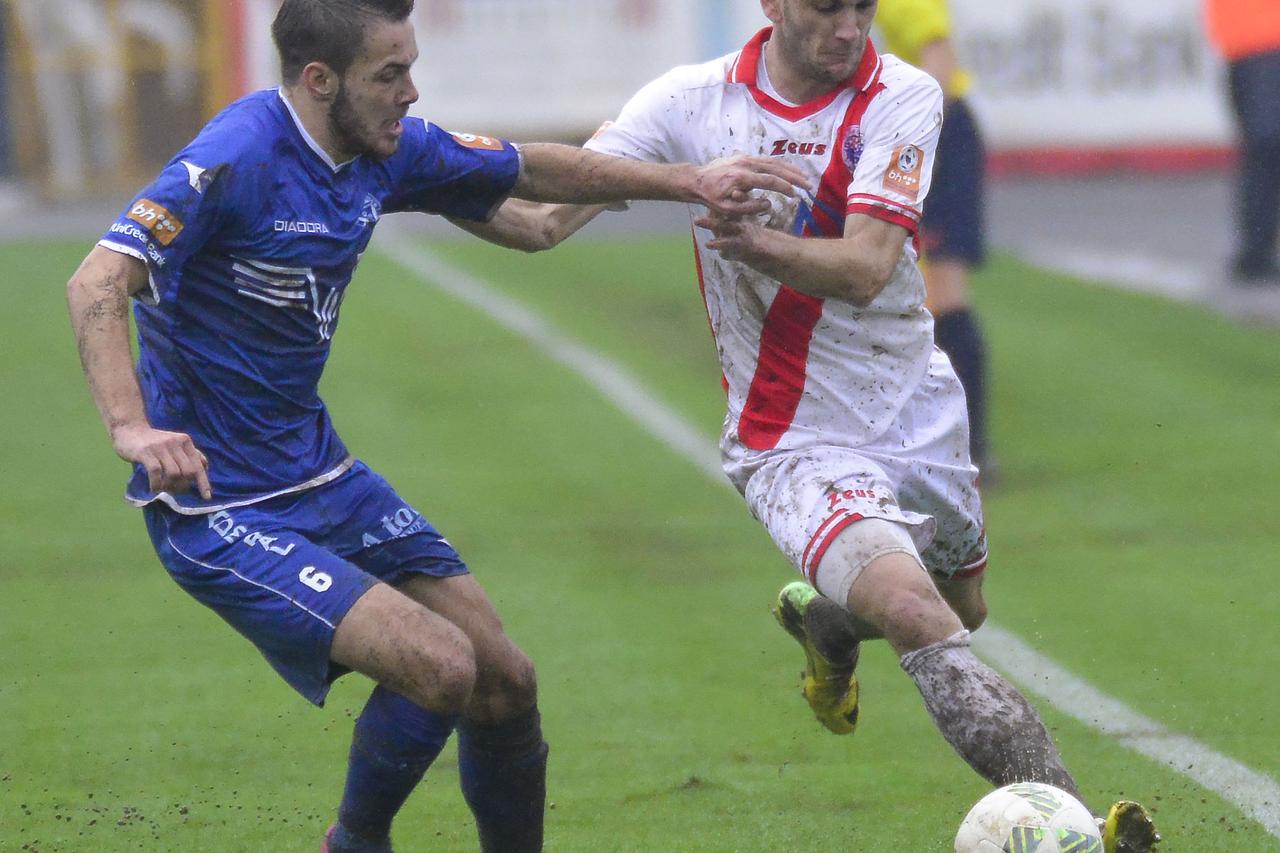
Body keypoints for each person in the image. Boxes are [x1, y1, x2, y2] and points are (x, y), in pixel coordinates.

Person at [63, 2, 806, 852]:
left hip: (320, 473)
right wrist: (131, 428)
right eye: (390, 74)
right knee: (440, 666)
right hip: (217, 502)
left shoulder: (384, 150)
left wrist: (680, 174)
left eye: (411, 67)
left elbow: (531, 190)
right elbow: (96, 282)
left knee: (503, 680)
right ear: (319, 81)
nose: (411, 92)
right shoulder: (236, 156)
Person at [460, 1, 1158, 850]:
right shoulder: (691, 102)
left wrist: (752, 246)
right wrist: (418, 171)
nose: (849, 26)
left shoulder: (902, 95)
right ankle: (1077, 825)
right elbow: (538, 219)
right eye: (827, 6)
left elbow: (865, 269)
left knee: (962, 608)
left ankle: (830, 624)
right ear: (773, 3)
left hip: (916, 405)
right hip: (794, 438)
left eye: (863, 6)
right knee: (916, 611)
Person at [875, 0, 992, 473]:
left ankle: (973, 448)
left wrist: (924, 146)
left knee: (944, 293)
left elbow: (940, 63)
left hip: (938, 133)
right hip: (924, 132)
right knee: (923, 293)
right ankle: (951, 444)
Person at [1205, 0, 1280, 285]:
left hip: (1256, 42)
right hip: (1252, 43)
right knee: (1265, 147)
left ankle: (1255, 253)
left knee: (1265, 147)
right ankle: (1255, 253)